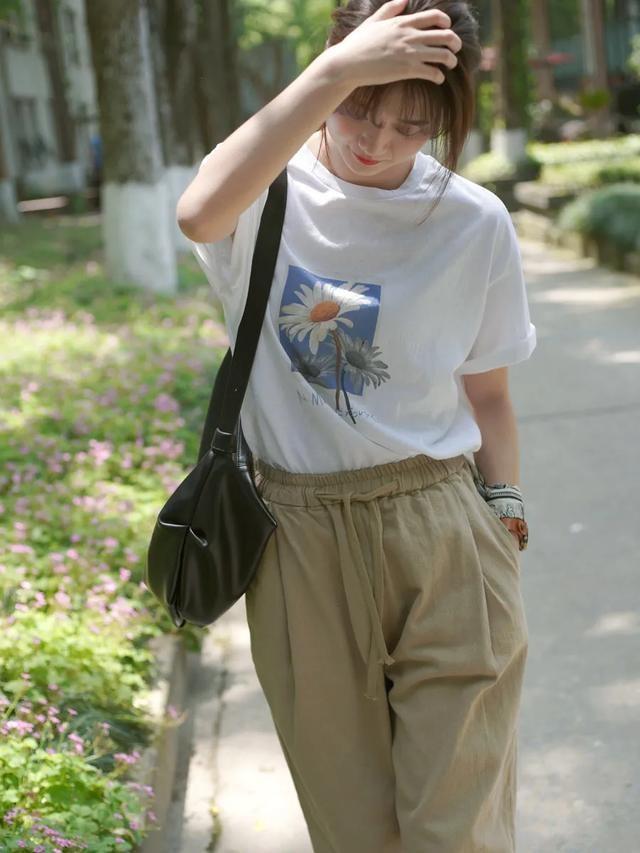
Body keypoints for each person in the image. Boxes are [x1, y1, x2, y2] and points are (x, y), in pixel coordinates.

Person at [178, 0, 536, 849]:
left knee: (458, 828)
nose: (376, 141)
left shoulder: (473, 221)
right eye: (358, 107)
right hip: (299, 540)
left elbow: (488, 394)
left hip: (442, 528)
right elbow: (197, 214)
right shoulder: (265, 191)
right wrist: (340, 66)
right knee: (356, 830)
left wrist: (503, 508)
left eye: (412, 125)